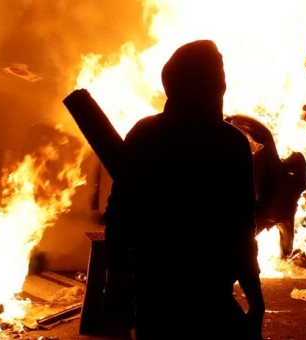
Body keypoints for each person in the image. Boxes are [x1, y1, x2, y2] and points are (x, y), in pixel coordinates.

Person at [102, 39, 265, 339]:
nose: (222, 86)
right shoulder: (229, 144)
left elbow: (118, 216)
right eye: (217, 78)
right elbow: (242, 227)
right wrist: (255, 299)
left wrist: (114, 281)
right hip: (208, 297)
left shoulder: (144, 134)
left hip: (156, 298)